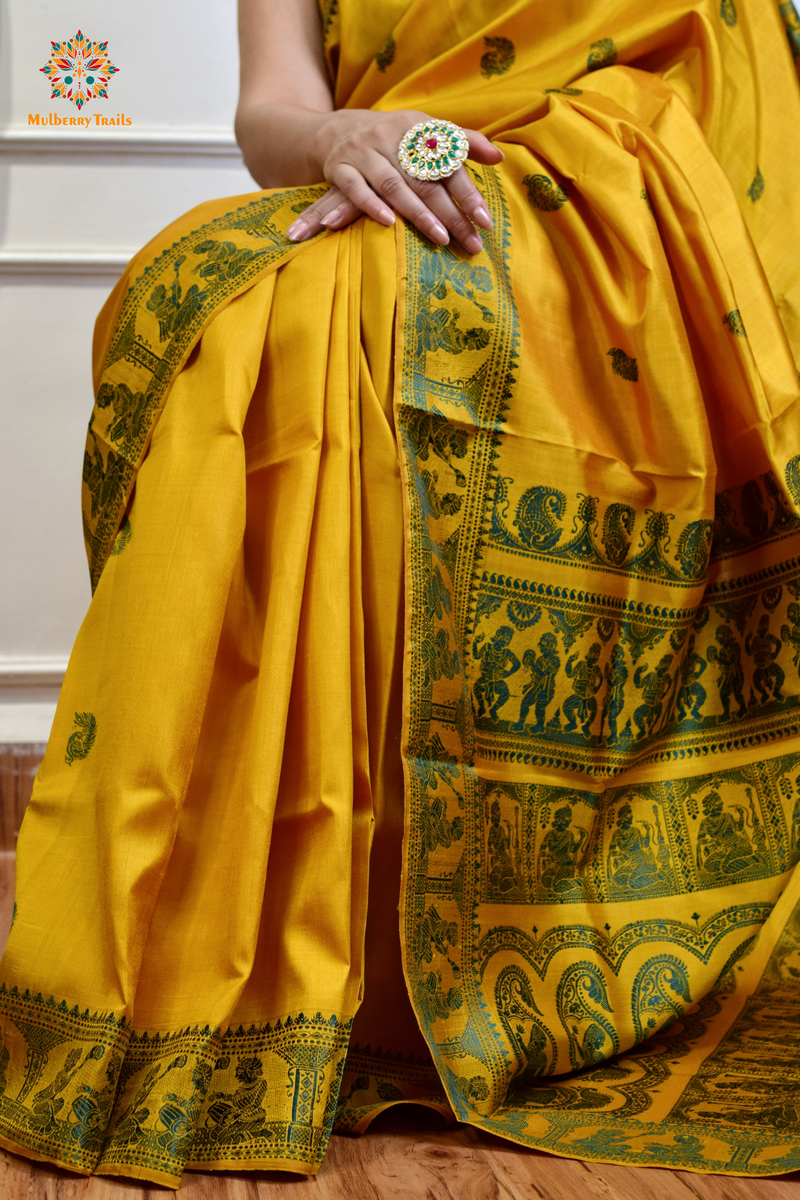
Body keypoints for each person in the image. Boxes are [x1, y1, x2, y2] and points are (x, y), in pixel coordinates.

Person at [1, 0, 800, 1186]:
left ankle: (457, 941)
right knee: (206, 296)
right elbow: (273, 111)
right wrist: (338, 144)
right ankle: (247, 943)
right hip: (408, 160)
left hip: (640, 184)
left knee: (355, 301)